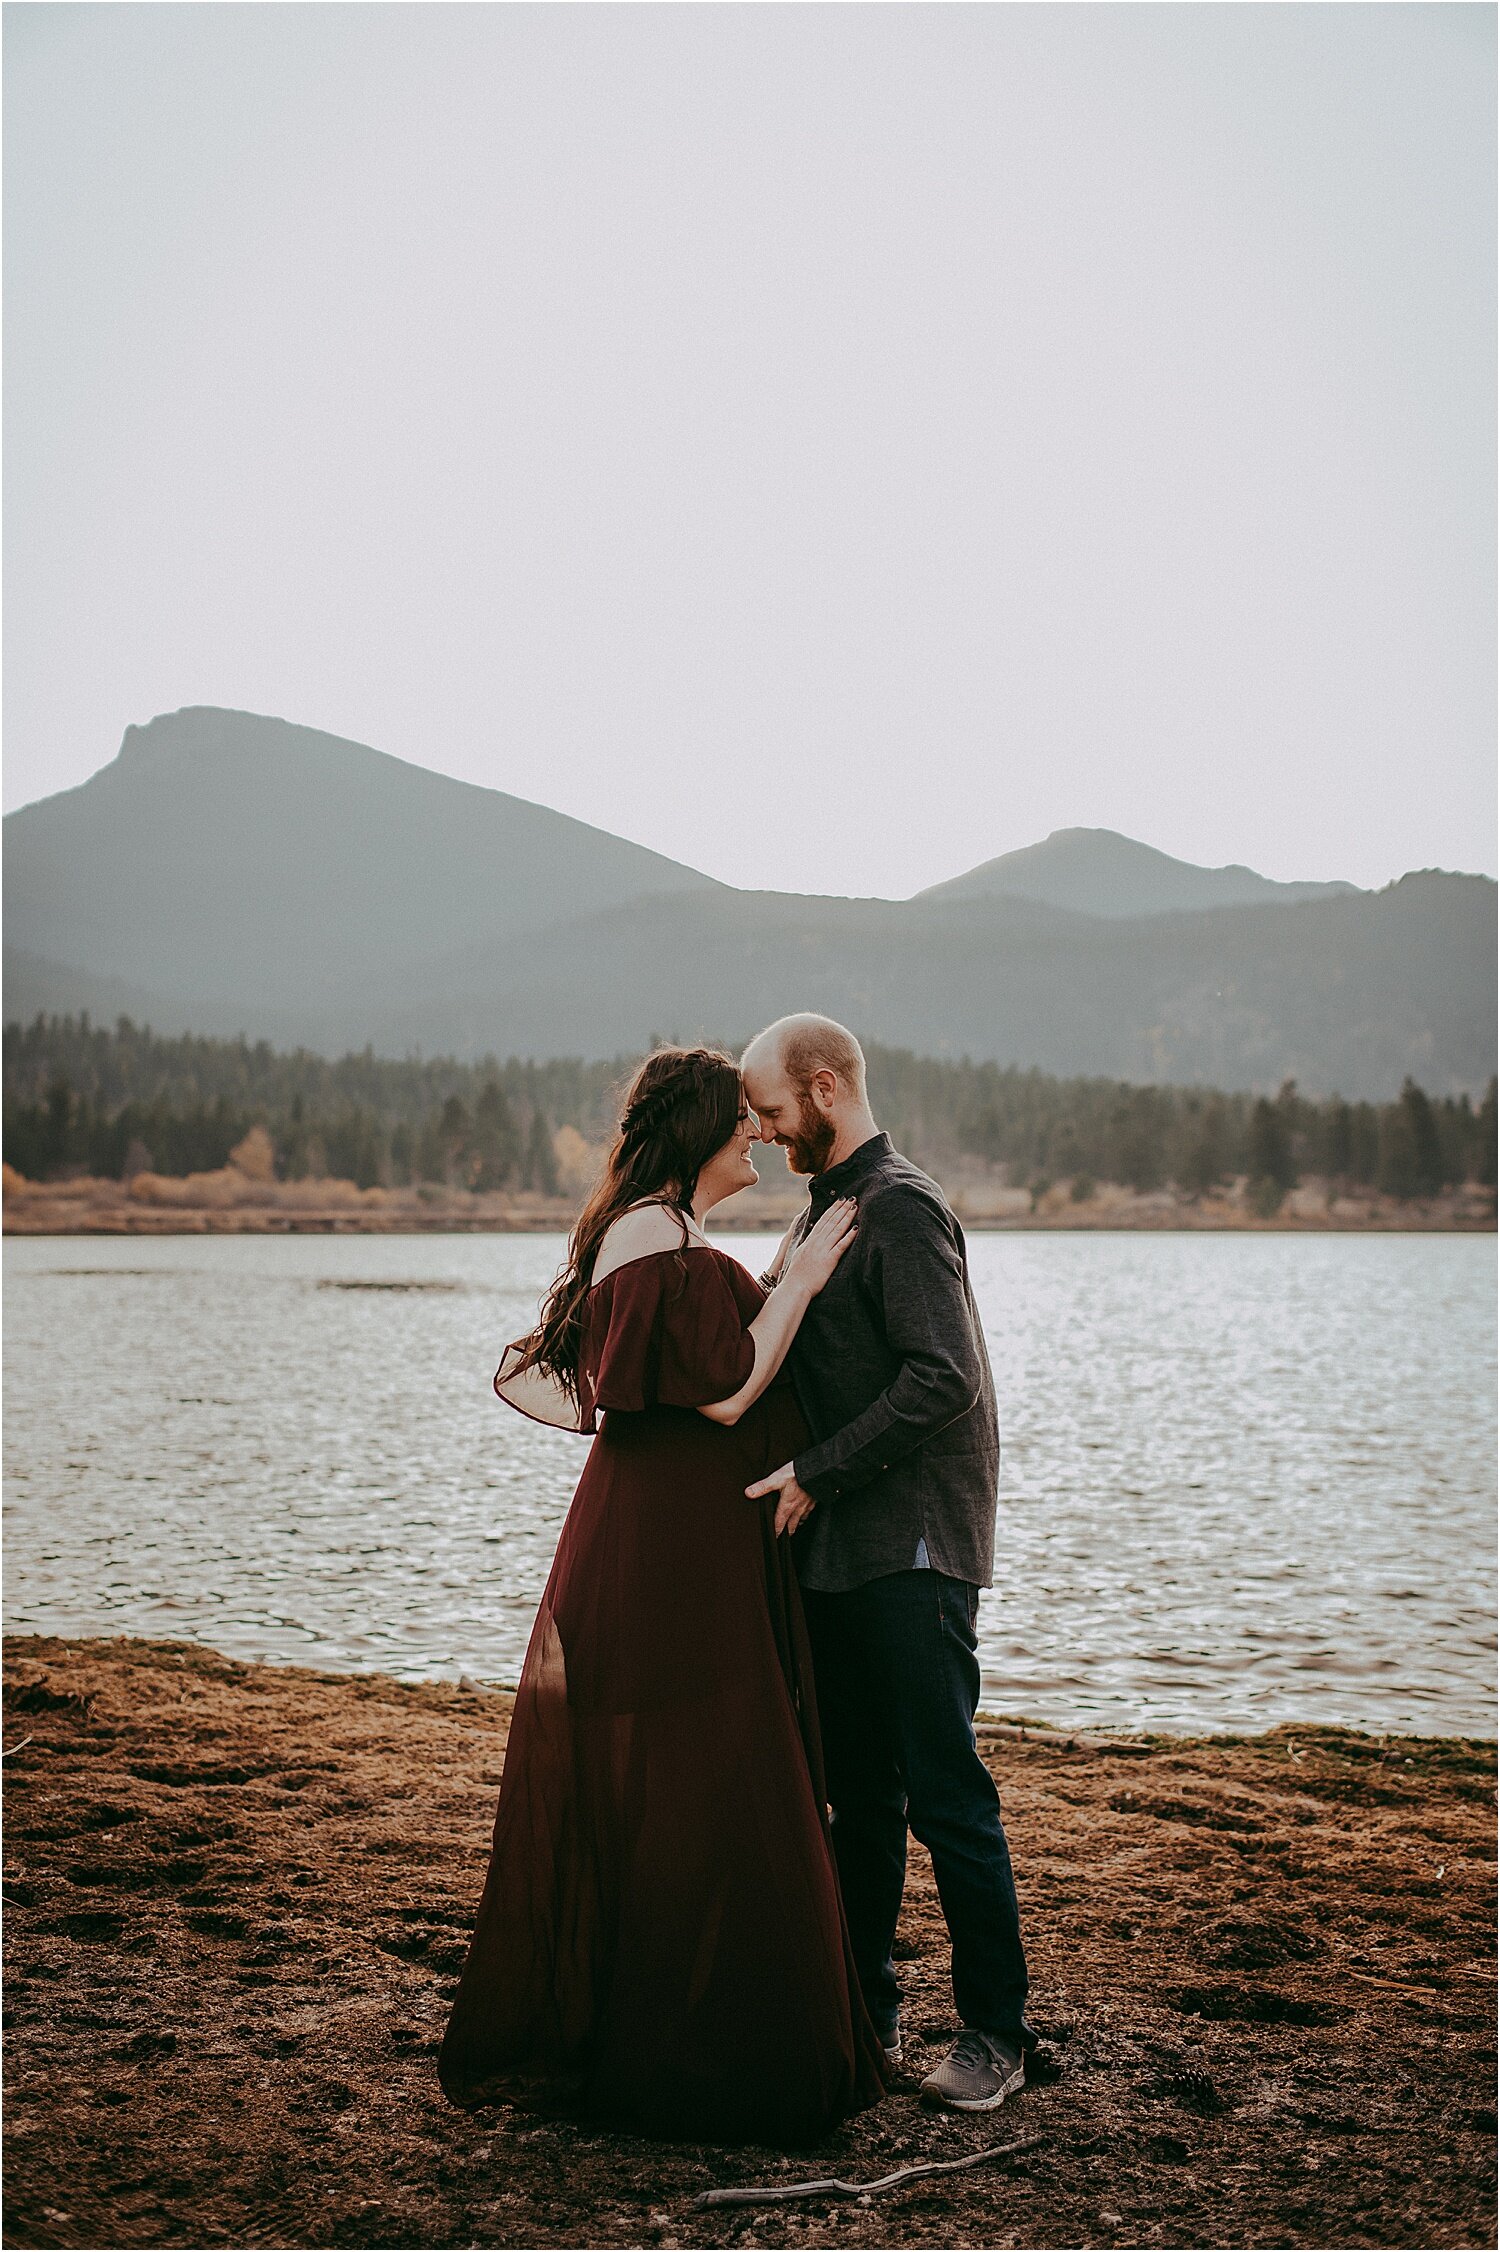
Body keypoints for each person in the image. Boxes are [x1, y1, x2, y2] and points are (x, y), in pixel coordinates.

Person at [438, 1045, 886, 2146]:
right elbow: (729, 1391)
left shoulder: (670, 1231)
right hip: (662, 1554)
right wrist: (801, 1284)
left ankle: (705, 2037)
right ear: (695, 1132)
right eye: (741, 1120)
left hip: (694, 1544)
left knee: (708, 1789)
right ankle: (697, 2055)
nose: (758, 1136)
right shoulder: (649, 1231)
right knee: (708, 1784)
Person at [740, 1013, 1037, 2113]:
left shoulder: (900, 1206)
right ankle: (865, 2013)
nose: (765, 1134)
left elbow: (943, 1375)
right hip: (844, 1554)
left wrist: (817, 1469)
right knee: (856, 1798)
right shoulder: (825, 1208)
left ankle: (997, 2036)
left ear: (824, 1087)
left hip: (912, 1547)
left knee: (947, 1797)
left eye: (773, 1110)